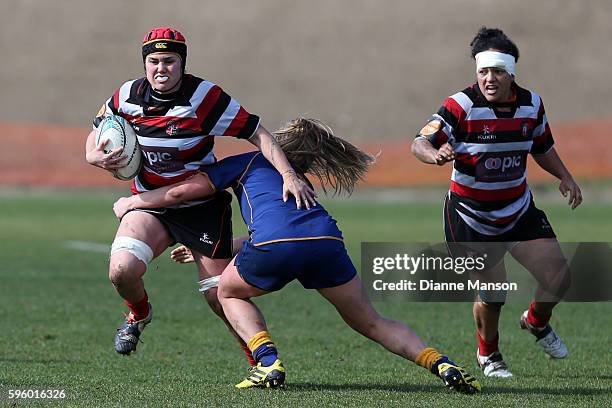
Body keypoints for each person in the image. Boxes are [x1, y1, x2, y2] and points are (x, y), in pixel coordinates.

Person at [113, 118, 482, 394]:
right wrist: (225, 246)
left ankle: (269, 363)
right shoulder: (298, 179)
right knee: (371, 321)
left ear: (282, 142)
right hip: (326, 241)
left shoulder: (250, 161)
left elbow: (180, 195)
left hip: (275, 245)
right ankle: (441, 363)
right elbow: (287, 232)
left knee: (226, 291)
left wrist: (134, 200)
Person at [85, 27, 315, 358]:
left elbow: (257, 133)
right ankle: (139, 313)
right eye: (154, 61)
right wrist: (91, 154)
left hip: (200, 204)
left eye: (169, 61)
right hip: (150, 202)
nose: (161, 68)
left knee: (219, 294)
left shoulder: (204, 98)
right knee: (121, 270)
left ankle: (263, 362)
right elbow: (98, 128)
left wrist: (288, 174)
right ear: (145, 64)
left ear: (182, 64)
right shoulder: (127, 96)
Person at [411, 27, 582, 378]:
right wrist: (435, 154)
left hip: (517, 210)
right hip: (470, 217)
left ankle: (536, 321)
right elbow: (420, 142)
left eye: (498, 72)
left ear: (512, 74)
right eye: (483, 71)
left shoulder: (531, 105)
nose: (490, 79)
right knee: (494, 290)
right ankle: (488, 354)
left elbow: (542, 146)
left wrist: (564, 175)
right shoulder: (460, 106)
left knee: (559, 277)